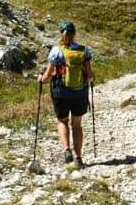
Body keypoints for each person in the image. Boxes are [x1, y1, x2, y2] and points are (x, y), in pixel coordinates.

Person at [38, 20, 94, 168]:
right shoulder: (84, 50)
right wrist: (90, 79)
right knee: (77, 125)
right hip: (79, 92)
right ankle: (78, 157)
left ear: (61, 34)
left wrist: (41, 79)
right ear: (74, 34)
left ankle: (66, 149)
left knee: (62, 121)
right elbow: (90, 75)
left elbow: (48, 76)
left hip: (61, 93)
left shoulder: (57, 51)